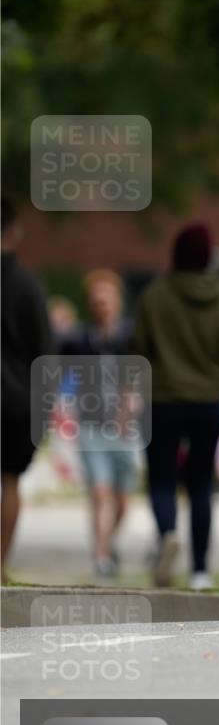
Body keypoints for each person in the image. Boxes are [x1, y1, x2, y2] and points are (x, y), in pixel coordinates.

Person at [130, 223, 219, 590]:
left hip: (162, 401)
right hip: (207, 404)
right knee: (201, 486)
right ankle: (200, 571)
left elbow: (138, 351)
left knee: (162, 480)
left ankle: (167, 533)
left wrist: (127, 399)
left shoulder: (154, 296)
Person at [60, 270, 138, 578]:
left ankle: (109, 540)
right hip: (91, 425)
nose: (102, 305)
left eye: (107, 299)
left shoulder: (131, 337)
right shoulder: (78, 340)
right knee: (99, 491)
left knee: (122, 500)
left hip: (125, 428)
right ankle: (101, 555)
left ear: (118, 302)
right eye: (96, 301)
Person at [1, 197, 53, 582]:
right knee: (10, 482)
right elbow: (44, 354)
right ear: (14, 230)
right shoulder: (28, 287)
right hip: (16, 401)